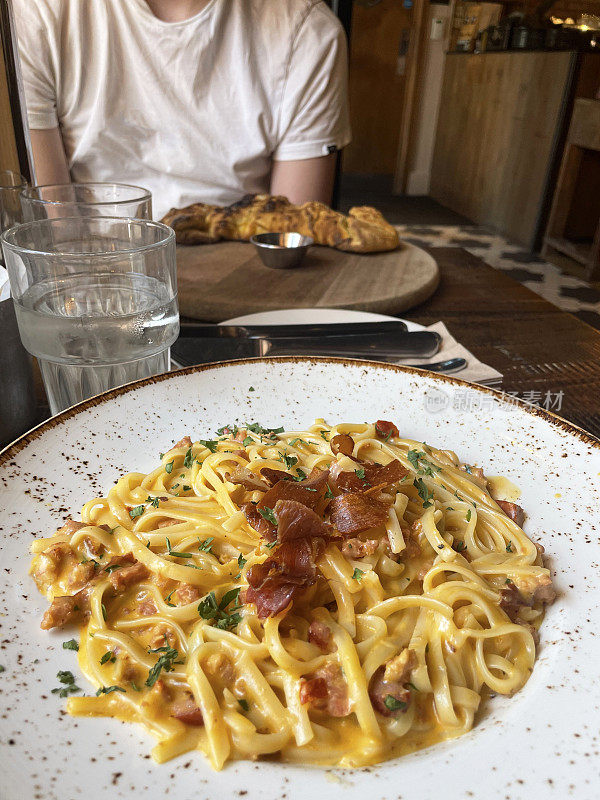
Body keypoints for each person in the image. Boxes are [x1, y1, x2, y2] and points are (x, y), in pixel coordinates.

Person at [13, 0, 351, 220]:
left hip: (239, 269)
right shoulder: (35, 14)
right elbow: (52, 225)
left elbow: (289, 231)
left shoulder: (308, 33)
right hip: (95, 276)